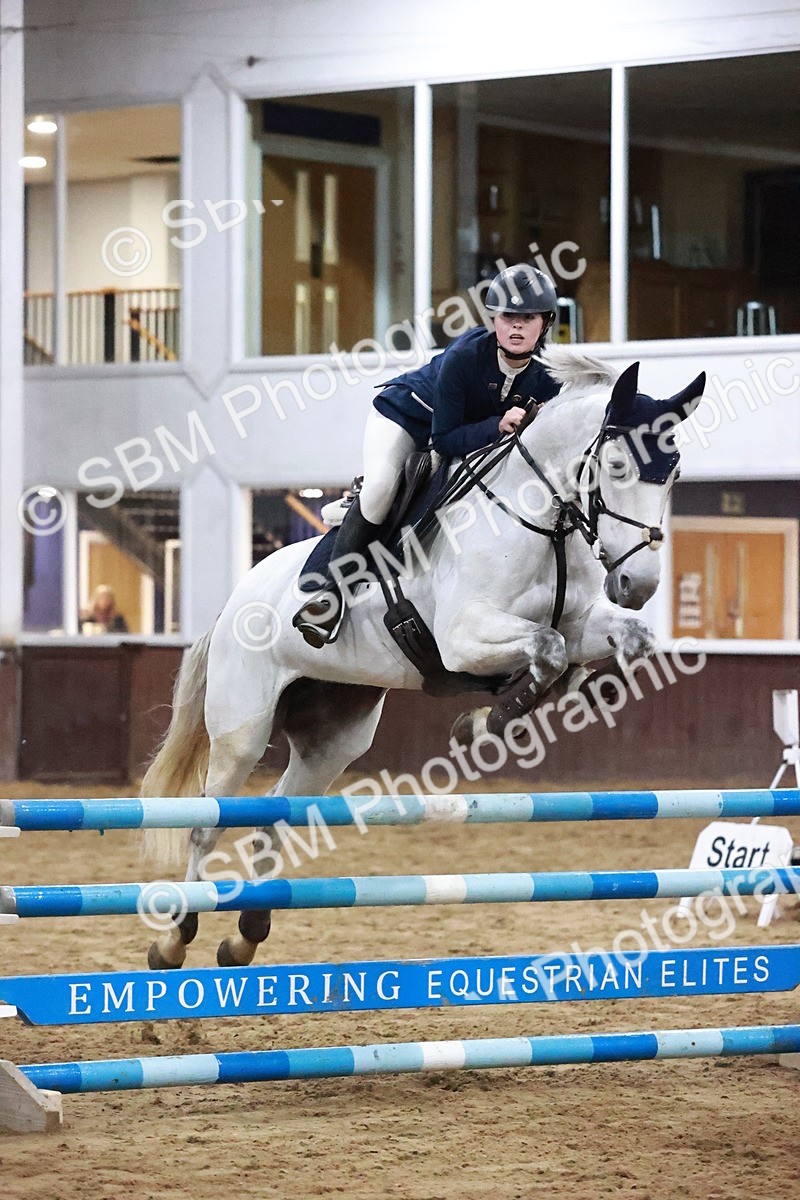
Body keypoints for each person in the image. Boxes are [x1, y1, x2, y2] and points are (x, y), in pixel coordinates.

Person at [293, 264, 561, 647]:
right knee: (383, 487)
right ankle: (331, 596)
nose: (517, 327)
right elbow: (446, 439)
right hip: (408, 417)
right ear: (494, 320)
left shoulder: (548, 375)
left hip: (462, 432)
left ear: (546, 323)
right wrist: (497, 425)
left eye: (528, 318)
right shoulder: (466, 356)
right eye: (508, 317)